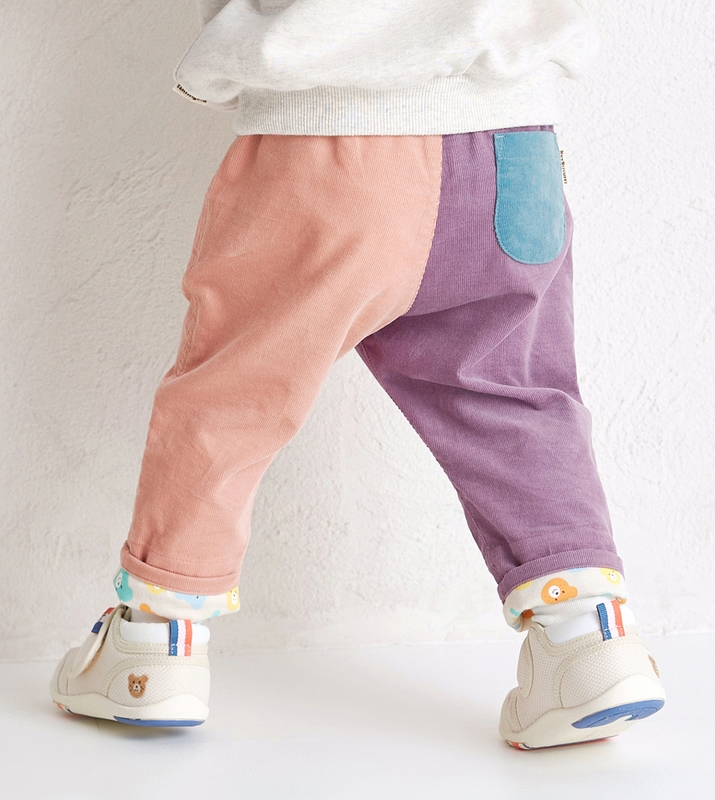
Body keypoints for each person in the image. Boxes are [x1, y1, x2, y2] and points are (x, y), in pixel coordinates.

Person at [50, 0, 665, 748]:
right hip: (513, 146)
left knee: (234, 397)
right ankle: (589, 643)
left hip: (330, 139)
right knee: (517, 395)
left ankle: (154, 645)